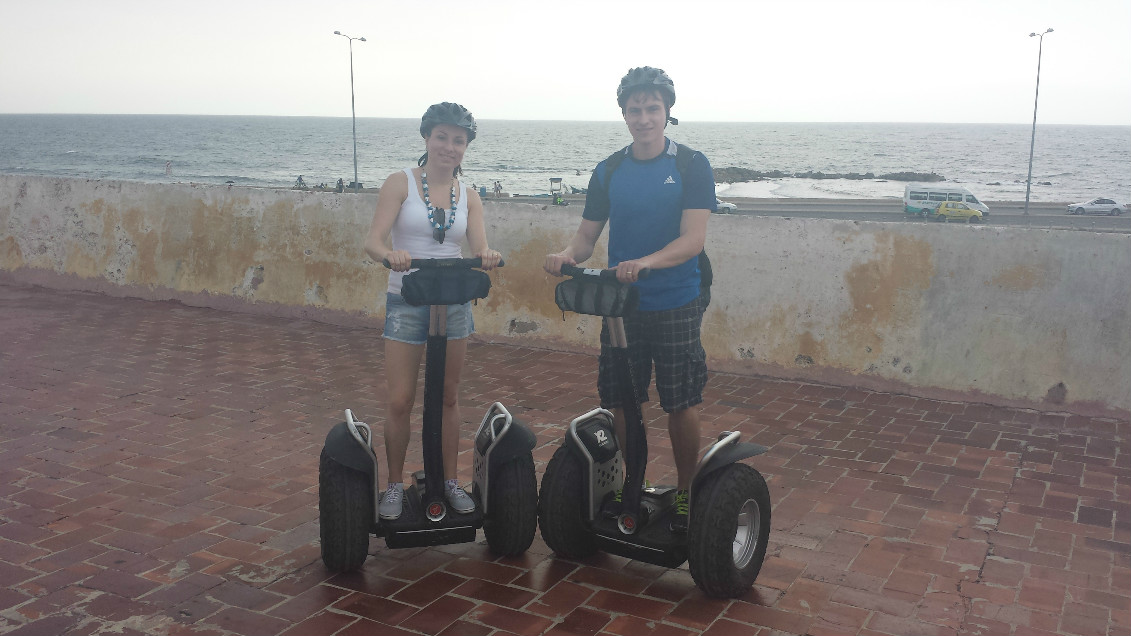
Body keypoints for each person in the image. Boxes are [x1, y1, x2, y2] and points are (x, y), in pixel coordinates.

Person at [543, 66, 715, 533]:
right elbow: (585, 236)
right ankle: (629, 483)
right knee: (621, 399)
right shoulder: (609, 169)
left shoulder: (690, 165)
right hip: (622, 305)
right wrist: (565, 255)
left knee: (679, 400)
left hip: (676, 298)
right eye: (634, 109)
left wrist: (646, 262)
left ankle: (684, 492)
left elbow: (692, 240)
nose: (643, 117)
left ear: (667, 112)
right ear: (624, 114)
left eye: (652, 108)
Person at [364, 102, 502, 520]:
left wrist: (488, 255)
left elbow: (478, 246)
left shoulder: (470, 196)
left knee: (447, 397)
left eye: (458, 140)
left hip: (453, 301)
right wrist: (392, 256)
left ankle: (449, 480)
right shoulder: (400, 183)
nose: (449, 146)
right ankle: (392, 484)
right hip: (407, 297)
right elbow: (372, 241)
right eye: (442, 137)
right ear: (427, 138)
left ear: (466, 147)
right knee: (401, 399)